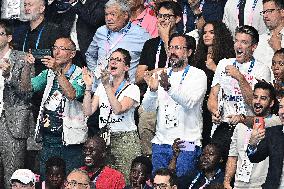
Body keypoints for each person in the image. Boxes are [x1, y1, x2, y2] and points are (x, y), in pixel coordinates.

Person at [20, 37, 87, 179]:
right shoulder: (48, 73)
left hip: (70, 143)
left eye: (62, 49)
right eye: (54, 48)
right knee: (47, 182)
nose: (56, 52)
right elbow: (25, 88)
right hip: (48, 140)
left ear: (72, 54)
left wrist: (57, 70)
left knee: (71, 181)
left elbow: (71, 94)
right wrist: (27, 66)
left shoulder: (81, 74)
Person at [142, 33, 207, 177]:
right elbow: (148, 108)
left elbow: (189, 103)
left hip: (187, 143)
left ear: (189, 52)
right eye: (170, 47)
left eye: (177, 48)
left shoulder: (198, 75)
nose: (172, 52)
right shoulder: (160, 74)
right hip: (160, 143)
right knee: (159, 184)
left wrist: (168, 87)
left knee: (182, 182)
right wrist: (152, 91)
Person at [207, 25, 271, 166]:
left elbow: (257, 106)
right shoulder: (224, 63)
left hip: (246, 128)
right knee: (215, 169)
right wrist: (214, 110)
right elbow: (213, 95)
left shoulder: (262, 70)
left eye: (244, 42)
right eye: (237, 41)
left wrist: (240, 78)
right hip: (222, 127)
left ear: (253, 47)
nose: (238, 45)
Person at [83, 48, 141, 183]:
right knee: (105, 181)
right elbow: (88, 111)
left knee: (124, 180)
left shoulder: (132, 88)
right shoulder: (102, 87)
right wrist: (88, 87)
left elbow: (118, 109)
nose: (113, 62)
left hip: (125, 140)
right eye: (111, 59)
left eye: (118, 60)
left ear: (126, 67)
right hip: (104, 139)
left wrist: (107, 85)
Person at [135, 0, 182, 156]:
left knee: (172, 146)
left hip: (174, 100)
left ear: (178, 19)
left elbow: (179, 68)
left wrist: (167, 39)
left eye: (167, 16)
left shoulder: (185, 41)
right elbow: (139, 76)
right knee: (147, 142)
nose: (162, 20)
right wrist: (159, 71)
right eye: (160, 16)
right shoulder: (150, 44)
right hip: (151, 97)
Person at [224, 81, 278, 189]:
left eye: (263, 98)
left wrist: (241, 118)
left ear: (271, 103)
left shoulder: (276, 123)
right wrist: (227, 182)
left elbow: (258, 121)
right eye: (255, 97)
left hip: (262, 185)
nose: (257, 101)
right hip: (239, 184)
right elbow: (233, 156)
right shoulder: (240, 126)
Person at [86, 0, 150, 90]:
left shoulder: (141, 34)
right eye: (106, 14)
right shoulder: (101, 31)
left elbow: (151, 60)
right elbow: (90, 55)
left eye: (113, 14)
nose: (108, 18)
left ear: (125, 15)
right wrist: (95, 73)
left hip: (124, 91)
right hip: (100, 89)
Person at [0, 19, 34, 189]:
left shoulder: (22, 59)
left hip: (12, 122)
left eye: (0, 34)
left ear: (9, 37)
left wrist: (8, 76)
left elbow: (26, 93)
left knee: (12, 175)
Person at [194, 21, 235, 146]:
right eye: (204, 32)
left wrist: (214, 68)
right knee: (200, 139)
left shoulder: (228, 57)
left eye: (211, 33)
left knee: (213, 143)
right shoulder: (198, 57)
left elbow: (231, 83)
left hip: (218, 105)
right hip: (199, 105)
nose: (206, 35)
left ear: (219, 35)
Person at [247, 96, 284, 189]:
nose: (282, 112)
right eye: (281, 107)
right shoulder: (273, 133)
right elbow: (254, 158)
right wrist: (252, 144)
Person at [253, 0, 284, 79]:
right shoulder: (258, 40)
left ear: (282, 12)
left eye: (269, 11)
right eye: (264, 12)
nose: (265, 16)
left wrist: (278, 49)